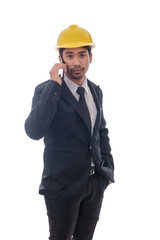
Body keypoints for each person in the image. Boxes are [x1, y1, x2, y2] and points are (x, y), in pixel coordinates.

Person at [24, 24, 114, 240]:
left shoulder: (95, 90)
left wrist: (107, 171)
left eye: (82, 55)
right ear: (61, 58)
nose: (76, 62)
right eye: (70, 55)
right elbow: (34, 131)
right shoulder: (46, 90)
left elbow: (101, 131)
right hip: (62, 186)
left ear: (90, 57)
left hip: (94, 184)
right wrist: (54, 86)